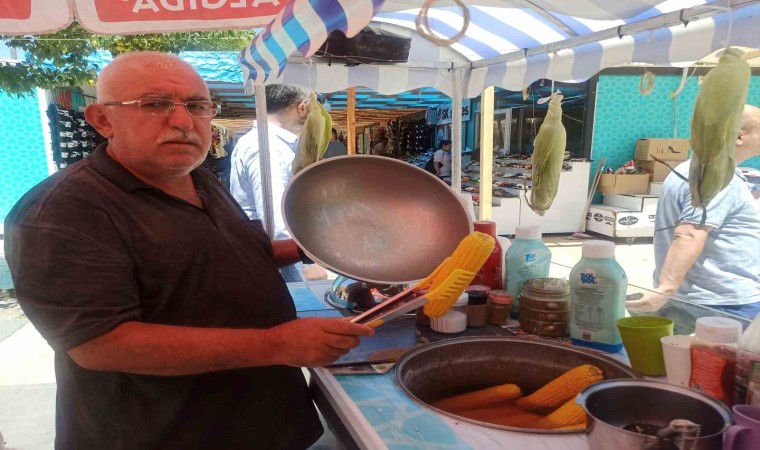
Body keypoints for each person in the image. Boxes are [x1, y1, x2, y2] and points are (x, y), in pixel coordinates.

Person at [3, 52, 374, 450]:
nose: (182, 121)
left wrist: (313, 248)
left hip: (261, 419)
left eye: (197, 105)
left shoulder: (196, 177)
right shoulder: (63, 210)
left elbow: (235, 253)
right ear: (103, 120)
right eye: (154, 104)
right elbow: (101, 343)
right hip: (163, 433)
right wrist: (276, 343)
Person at [626, 104, 760, 320]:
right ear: (739, 137)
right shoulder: (719, 178)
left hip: (697, 299)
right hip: (722, 303)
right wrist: (665, 289)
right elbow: (690, 233)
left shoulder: (692, 168)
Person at [229, 83, 320, 282]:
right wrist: (308, 261)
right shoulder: (268, 146)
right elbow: (276, 222)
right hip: (280, 263)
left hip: (273, 256)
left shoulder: (265, 142)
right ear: (302, 108)